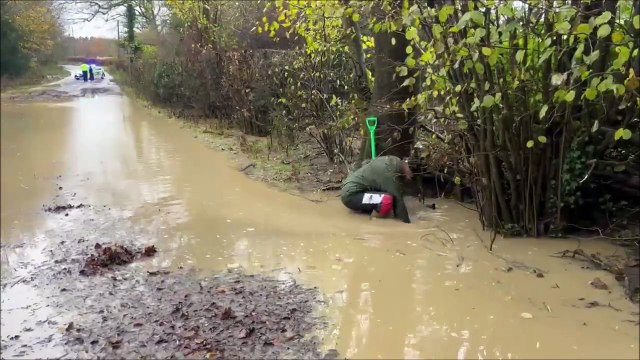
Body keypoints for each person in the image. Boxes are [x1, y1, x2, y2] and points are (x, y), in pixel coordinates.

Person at [341, 155, 413, 223]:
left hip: (357, 189)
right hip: (351, 195)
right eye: (412, 173)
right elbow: (398, 200)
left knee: (387, 196)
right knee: (386, 200)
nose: (411, 176)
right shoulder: (389, 171)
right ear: (408, 168)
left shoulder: (393, 161)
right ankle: (375, 223)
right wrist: (406, 224)